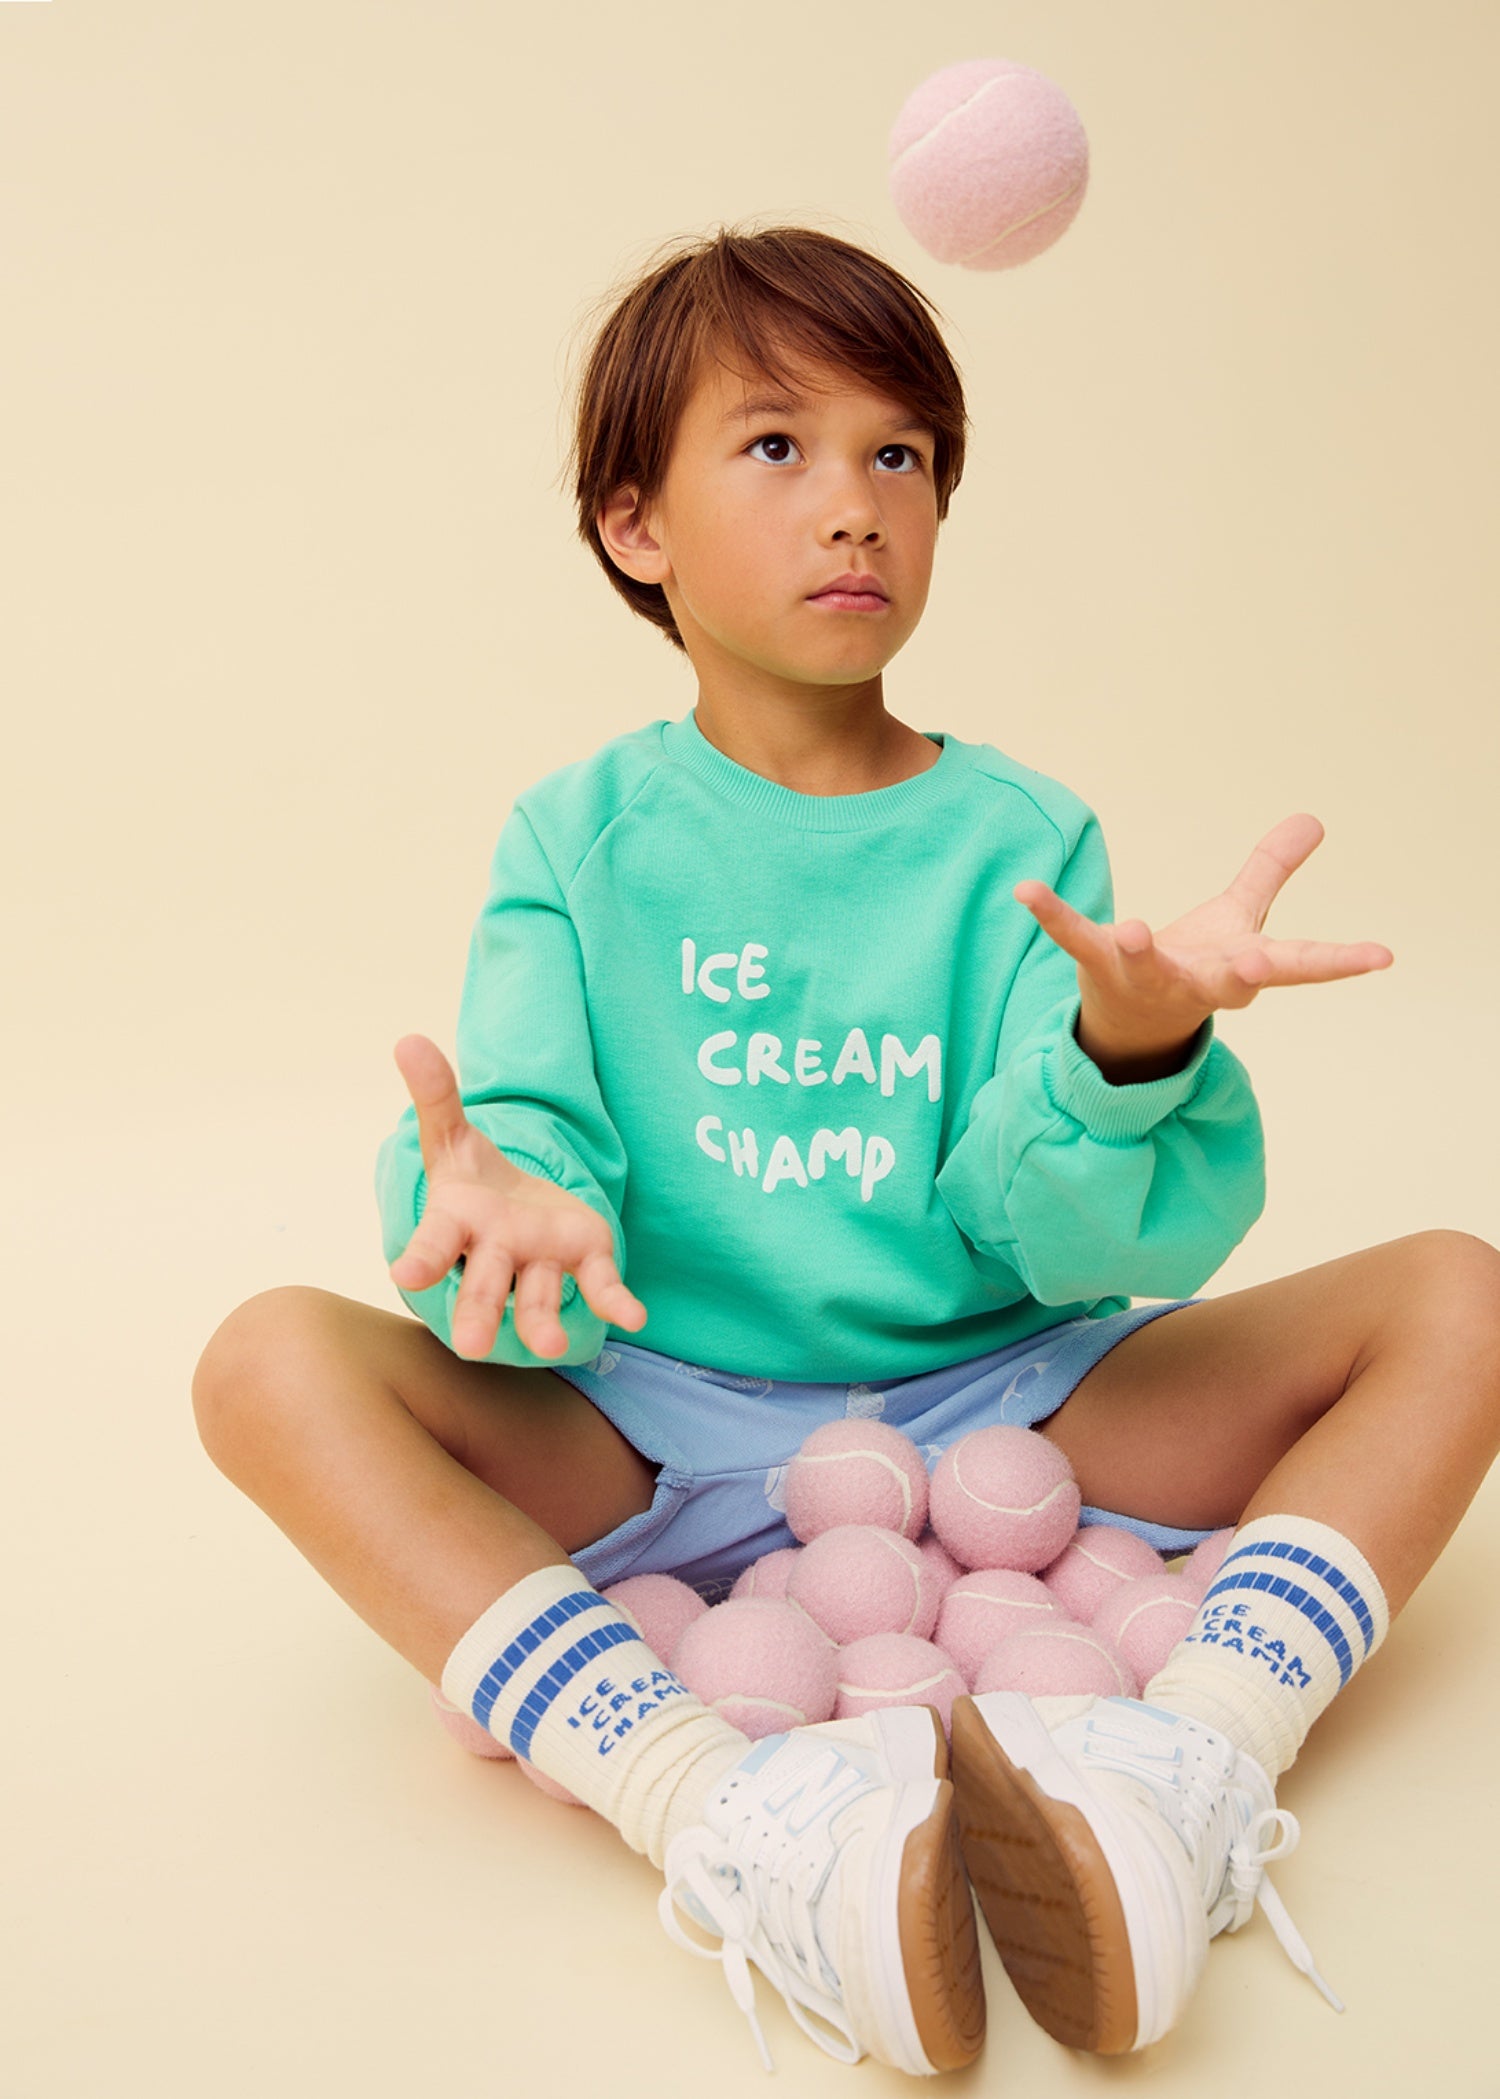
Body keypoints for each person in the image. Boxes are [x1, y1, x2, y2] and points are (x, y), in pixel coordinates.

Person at [191, 222, 1500, 2076]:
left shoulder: (1024, 836)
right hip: (652, 1419)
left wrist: (1129, 1048)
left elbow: (1044, 1228)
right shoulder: (578, 837)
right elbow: (532, 1126)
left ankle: (1191, 1762)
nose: (855, 504)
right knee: (265, 1361)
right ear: (635, 525)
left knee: (1460, 1296)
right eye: (777, 446)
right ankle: (718, 1813)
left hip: (1014, 1398)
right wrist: (510, 1204)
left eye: (901, 453)